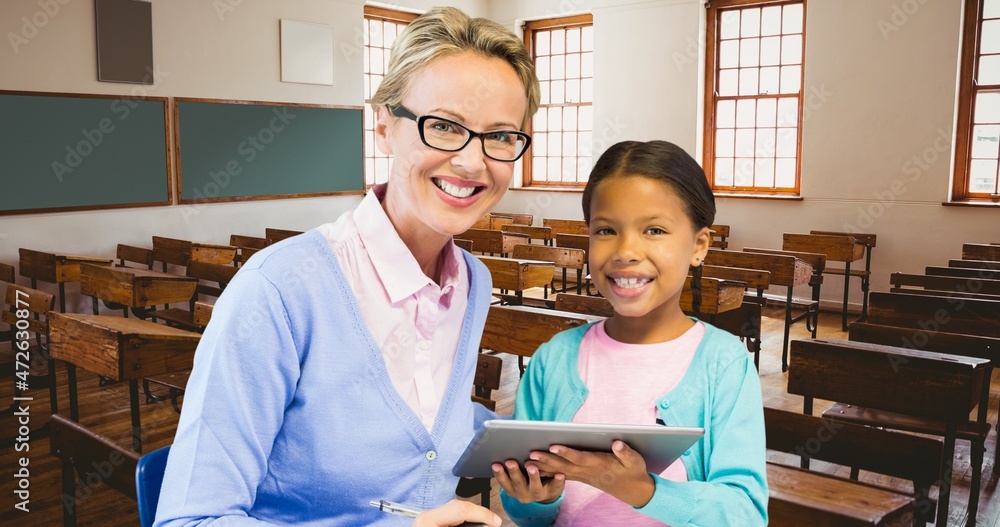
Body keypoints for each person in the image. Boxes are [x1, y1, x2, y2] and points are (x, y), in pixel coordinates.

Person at [154, 7, 539, 526]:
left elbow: (422, 416)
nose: (473, 162)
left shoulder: (473, 280)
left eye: (500, 136)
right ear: (385, 125)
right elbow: (190, 520)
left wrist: (528, 445)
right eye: (445, 126)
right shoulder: (279, 291)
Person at [494, 140, 768, 526]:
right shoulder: (553, 359)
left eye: (654, 229)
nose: (626, 250)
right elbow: (525, 510)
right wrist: (538, 498)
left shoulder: (724, 364)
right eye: (606, 230)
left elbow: (745, 514)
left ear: (699, 245)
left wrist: (642, 491)